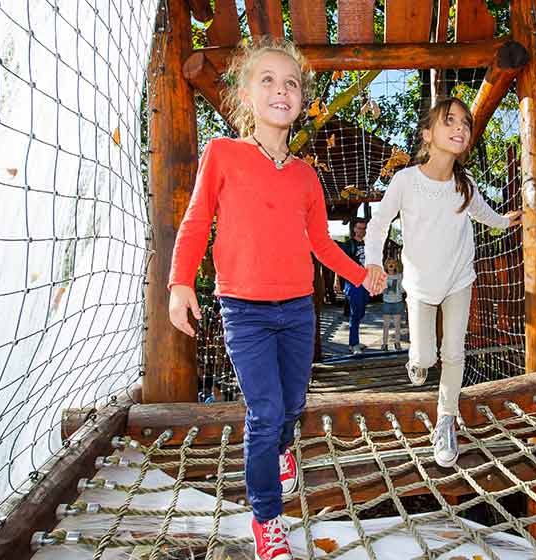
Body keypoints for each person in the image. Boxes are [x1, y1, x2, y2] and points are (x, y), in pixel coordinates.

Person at [166, 39, 384, 560]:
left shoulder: (307, 176)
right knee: (263, 413)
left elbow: (321, 243)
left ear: (301, 98)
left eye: (290, 82)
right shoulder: (222, 154)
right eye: (267, 79)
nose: (280, 89)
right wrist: (179, 283)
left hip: (296, 310)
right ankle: (266, 518)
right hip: (244, 310)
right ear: (246, 92)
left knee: (291, 405)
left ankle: (284, 450)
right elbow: (197, 223)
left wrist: (361, 275)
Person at [364, 97, 522, 468]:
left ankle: (446, 420)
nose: (460, 128)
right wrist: (373, 261)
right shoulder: (406, 181)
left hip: (458, 279)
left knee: (453, 354)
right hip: (419, 285)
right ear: (427, 134)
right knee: (425, 357)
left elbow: (482, 212)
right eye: (449, 121)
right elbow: (379, 222)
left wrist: (504, 220)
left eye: (465, 124)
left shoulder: (464, 183)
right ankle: (416, 362)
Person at [338, 218, 369, 355]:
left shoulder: (368, 244)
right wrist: (337, 281)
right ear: (354, 229)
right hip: (353, 283)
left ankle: (355, 341)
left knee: (361, 312)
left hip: (366, 282)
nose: (362, 231)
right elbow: (339, 263)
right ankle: (353, 344)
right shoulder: (348, 245)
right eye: (359, 228)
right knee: (355, 313)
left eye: (364, 228)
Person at [381, 258, 405, 351]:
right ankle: (384, 343)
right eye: (389, 263)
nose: (391, 265)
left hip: (397, 302)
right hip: (387, 302)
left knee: (397, 325)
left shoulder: (399, 276)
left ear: (396, 265)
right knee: (386, 325)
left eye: (393, 263)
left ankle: (397, 342)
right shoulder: (383, 276)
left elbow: (402, 289)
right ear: (386, 266)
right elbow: (381, 289)